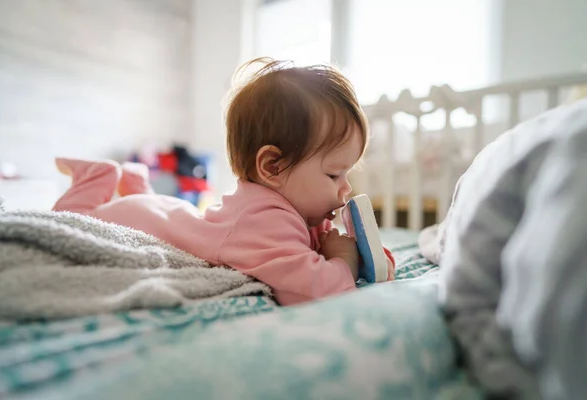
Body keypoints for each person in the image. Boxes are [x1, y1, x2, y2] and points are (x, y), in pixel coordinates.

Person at [52, 58, 395, 306]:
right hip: (133, 218)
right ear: (272, 166)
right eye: (334, 174)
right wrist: (344, 262)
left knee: (162, 211)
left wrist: (367, 254)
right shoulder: (265, 220)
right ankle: (99, 176)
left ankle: (134, 180)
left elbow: (336, 257)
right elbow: (309, 291)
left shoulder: (299, 210)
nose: (345, 187)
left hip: (163, 212)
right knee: (72, 217)